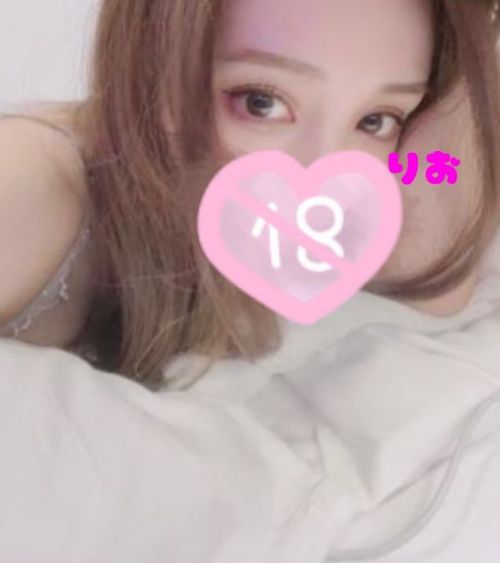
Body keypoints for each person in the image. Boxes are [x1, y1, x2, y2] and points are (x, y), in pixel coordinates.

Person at [0, 0, 499, 390]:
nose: (321, 172)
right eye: (262, 103)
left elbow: (434, 284)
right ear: (155, 62)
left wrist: (477, 27)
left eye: (376, 120)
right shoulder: (33, 184)